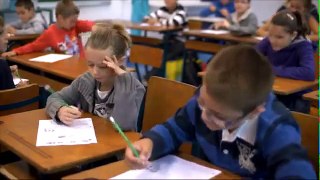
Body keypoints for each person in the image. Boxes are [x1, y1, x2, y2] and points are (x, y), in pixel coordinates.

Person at [124, 45, 316, 179]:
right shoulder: (205, 104)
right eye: (202, 102)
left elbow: (298, 174)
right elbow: (174, 129)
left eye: (220, 117)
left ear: (253, 113)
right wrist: (149, 142)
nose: (205, 116)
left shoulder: (277, 130)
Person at [46, 23, 145, 131]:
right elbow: (54, 98)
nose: (95, 72)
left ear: (120, 61)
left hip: (118, 145)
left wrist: (124, 79)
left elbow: (123, 126)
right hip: (93, 142)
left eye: (103, 66)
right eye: (90, 64)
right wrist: (60, 110)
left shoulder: (134, 88)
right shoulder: (85, 81)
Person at [256, 10, 315, 113]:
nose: (273, 40)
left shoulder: (304, 46)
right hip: (274, 93)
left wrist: (273, 69)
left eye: (279, 37)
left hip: (297, 98)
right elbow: (251, 57)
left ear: (293, 35)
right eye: (270, 35)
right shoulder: (269, 40)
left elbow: (308, 72)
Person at [2, 0, 94, 58]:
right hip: (66, 68)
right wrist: (15, 51)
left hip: (83, 65)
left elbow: (96, 27)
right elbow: (33, 46)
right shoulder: (50, 33)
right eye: (72, 21)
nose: (74, 23)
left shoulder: (77, 25)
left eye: (76, 20)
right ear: (60, 18)